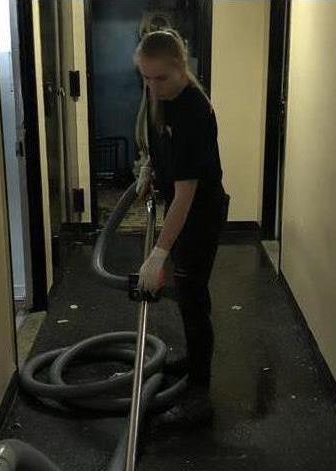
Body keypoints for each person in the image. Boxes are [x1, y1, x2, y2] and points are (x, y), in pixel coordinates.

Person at [133, 29, 229, 427]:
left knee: (193, 297)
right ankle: (192, 361)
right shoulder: (163, 101)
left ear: (181, 69)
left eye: (161, 78)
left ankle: (199, 393)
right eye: (146, 78)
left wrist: (159, 252)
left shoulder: (193, 110)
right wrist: (149, 169)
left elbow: (187, 194)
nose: (152, 87)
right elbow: (161, 146)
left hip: (200, 214)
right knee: (187, 295)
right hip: (181, 207)